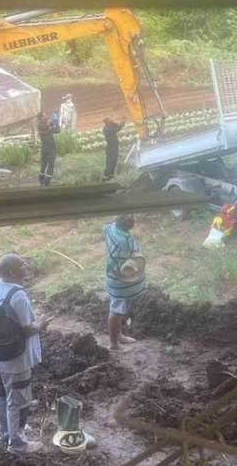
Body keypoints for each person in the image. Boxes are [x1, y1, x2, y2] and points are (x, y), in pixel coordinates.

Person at [0, 252, 48, 453]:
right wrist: (41, 324)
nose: (26, 266)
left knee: (2, 394)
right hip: (16, 359)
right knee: (20, 402)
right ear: (13, 271)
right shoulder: (18, 295)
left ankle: (5, 432)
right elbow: (27, 329)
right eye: (22, 264)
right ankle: (18, 443)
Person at [103, 214, 145, 352]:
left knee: (119, 310)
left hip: (112, 276)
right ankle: (114, 344)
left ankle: (118, 336)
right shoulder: (123, 241)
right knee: (116, 311)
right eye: (132, 217)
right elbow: (121, 265)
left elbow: (103, 230)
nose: (134, 219)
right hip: (120, 281)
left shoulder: (110, 227)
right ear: (128, 223)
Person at [36, 111, 57, 186]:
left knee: (44, 163)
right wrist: (55, 121)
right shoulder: (45, 126)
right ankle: (46, 181)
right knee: (51, 164)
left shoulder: (40, 125)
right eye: (45, 115)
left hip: (44, 147)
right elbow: (57, 130)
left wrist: (51, 123)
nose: (47, 116)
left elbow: (49, 128)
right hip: (50, 148)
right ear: (41, 117)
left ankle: (41, 178)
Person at [101, 116, 125, 182]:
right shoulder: (106, 129)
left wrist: (122, 121)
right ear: (107, 122)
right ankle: (105, 177)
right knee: (110, 163)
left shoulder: (110, 126)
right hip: (111, 148)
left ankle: (111, 176)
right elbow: (117, 129)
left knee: (114, 162)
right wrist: (121, 123)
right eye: (110, 120)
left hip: (114, 147)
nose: (112, 120)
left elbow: (117, 126)